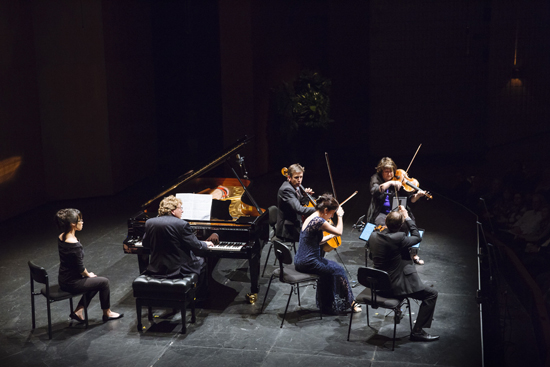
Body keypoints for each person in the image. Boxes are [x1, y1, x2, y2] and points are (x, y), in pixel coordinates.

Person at [368, 206, 439, 341]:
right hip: (393, 288)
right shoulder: (399, 237)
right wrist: (407, 217)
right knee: (431, 294)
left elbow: (372, 257)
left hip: (377, 286)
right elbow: (417, 237)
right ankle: (417, 331)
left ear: (385, 221)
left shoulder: (373, 235)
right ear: (401, 225)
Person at [294, 193, 361, 314]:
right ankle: (351, 302)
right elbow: (339, 231)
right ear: (325, 210)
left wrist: (330, 235)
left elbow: (318, 241)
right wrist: (340, 216)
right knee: (339, 270)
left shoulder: (312, 216)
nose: (332, 216)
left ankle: (326, 305)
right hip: (309, 262)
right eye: (332, 213)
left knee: (328, 273)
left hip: (300, 259)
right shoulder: (319, 221)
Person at [56, 208, 123, 323]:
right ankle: (107, 312)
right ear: (73, 224)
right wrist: (88, 274)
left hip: (63, 278)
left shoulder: (61, 236)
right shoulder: (74, 245)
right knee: (103, 282)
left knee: (95, 281)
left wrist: (88, 276)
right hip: (72, 283)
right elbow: (80, 268)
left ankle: (79, 310)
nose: (82, 222)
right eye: (80, 220)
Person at [142, 195, 215, 298]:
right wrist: (205, 244)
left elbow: (146, 244)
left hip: (156, 268)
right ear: (172, 211)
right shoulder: (182, 224)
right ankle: (197, 297)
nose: (182, 211)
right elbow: (196, 246)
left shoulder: (150, 222)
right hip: (178, 270)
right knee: (202, 261)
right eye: (180, 208)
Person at [366, 157, 427, 265]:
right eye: (386, 171)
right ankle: (381, 251)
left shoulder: (399, 179)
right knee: (380, 226)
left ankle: (412, 254)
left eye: (391, 171)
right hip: (381, 212)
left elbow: (410, 199)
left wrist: (417, 196)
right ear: (381, 171)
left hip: (396, 211)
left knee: (409, 222)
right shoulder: (376, 178)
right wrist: (390, 183)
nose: (390, 174)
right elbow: (375, 190)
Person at [276, 163, 316, 243]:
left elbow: (298, 201)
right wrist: (319, 209)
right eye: (296, 177)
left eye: (301, 177)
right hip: (289, 228)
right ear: (289, 177)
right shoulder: (286, 189)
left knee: (319, 233)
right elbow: (299, 209)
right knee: (317, 237)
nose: (299, 180)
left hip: (295, 222)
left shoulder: (295, 186)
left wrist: (305, 196)